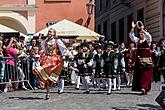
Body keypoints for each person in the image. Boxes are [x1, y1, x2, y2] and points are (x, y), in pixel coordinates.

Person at [33, 28, 67, 100]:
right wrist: (39, 53)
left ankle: (53, 84)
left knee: (51, 76)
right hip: (46, 59)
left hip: (54, 59)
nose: (49, 33)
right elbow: (43, 50)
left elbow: (63, 48)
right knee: (44, 74)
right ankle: (47, 92)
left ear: (54, 33)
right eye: (48, 32)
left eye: (51, 32)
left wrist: (65, 55)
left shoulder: (57, 41)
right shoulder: (44, 41)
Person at [129, 21, 153, 95]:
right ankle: (141, 87)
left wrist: (143, 29)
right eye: (140, 33)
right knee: (140, 73)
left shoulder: (147, 41)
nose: (141, 34)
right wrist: (133, 28)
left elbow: (149, 37)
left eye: (142, 33)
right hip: (139, 59)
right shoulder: (138, 40)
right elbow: (131, 36)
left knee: (146, 73)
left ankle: (145, 87)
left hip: (146, 59)